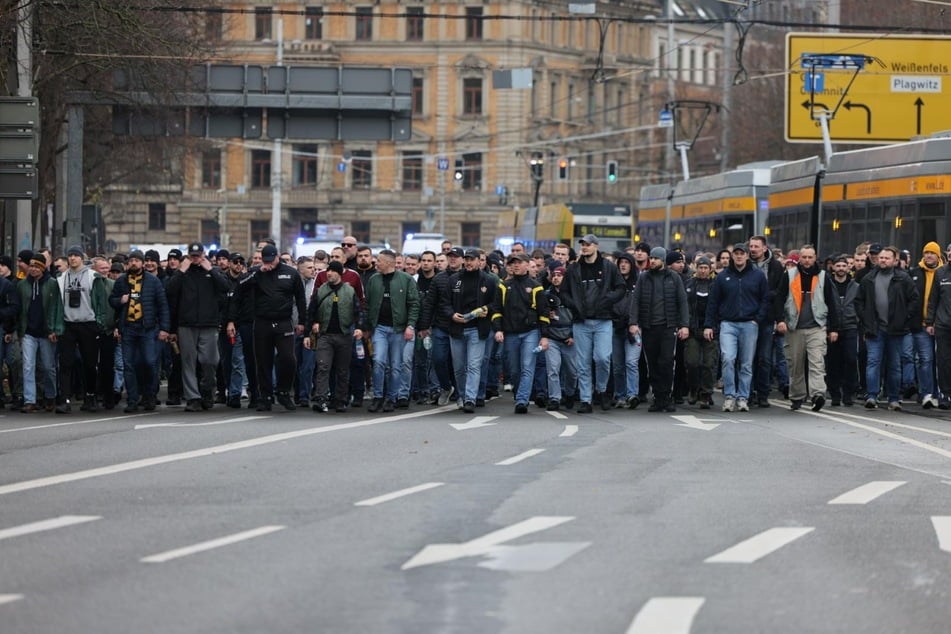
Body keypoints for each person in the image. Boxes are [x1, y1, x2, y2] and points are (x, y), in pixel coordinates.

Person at [227, 244, 307, 411]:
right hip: (262, 321)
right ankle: (266, 396)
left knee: (288, 358)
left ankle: (284, 391)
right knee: (263, 361)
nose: (269, 264)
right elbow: (239, 288)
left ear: (277, 257)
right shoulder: (256, 272)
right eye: (266, 261)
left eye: (271, 261)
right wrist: (257, 273)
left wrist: (302, 322)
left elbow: (300, 298)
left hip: (284, 321)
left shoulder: (290, 273)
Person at [562, 233, 626, 412]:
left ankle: (602, 390)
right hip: (581, 321)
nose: (584, 247)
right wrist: (573, 305)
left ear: (596, 246)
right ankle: (585, 400)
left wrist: (608, 299)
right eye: (582, 244)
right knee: (583, 363)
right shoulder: (574, 269)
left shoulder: (608, 267)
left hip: (603, 320)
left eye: (588, 244)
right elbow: (564, 292)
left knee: (603, 358)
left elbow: (621, 288)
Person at [704, 243, 769, 413]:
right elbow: (713, 302)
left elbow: (765, 299)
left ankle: (743, 397)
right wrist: (709, 325)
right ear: (732, 256)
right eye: (736, 254)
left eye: (742, 254)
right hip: (728, 323)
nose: (739, 256)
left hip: (749, 324)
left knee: (746, 363)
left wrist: (758, 319)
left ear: (747, 255)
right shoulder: (723, 276)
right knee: (728, 358)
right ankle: (730, 396)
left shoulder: (758, 275)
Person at [774, 244, 841, 412]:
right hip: (794, 327)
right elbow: (779, 299)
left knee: (817, 362)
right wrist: (780, 320)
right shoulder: (789, 276)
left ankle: (818, 395)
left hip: (816, 327)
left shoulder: (824, 277)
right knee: (795, 364)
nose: (807, 260)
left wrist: (834, 328)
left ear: (815, 258)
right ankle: (797, 396)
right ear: (799, 258)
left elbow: (833, 303)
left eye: (810, 257)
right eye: (804, 257)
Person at [166, 242, 230, 412]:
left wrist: (211, 270)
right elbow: (170, 291)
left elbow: (225, 287)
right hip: (186, 324)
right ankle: (193, 397)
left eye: (198, 255)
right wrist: (181, 271)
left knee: (210, 362)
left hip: (208, 323)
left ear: (203, 255)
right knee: (188, 363)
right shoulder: (182, 273)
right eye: (192, 255)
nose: (195, 259)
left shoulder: (211, 271)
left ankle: (207, 391)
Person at [856, 246, 919, 411]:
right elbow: (859, 301)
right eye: (881, 257)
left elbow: (914, 299)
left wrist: (904, 317)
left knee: (894, 365)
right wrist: (866, 319)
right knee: (873, 362)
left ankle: (893, 398)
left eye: (886, 258)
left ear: (895, 260)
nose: (882, 260)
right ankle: (871, 395)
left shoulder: (903, 279)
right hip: (875, 329)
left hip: (896, 329)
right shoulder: (869, 278)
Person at [628, 246, 689, 412]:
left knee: (667, 362)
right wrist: (633, 322)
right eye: (651, 258)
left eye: (655, 258)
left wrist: (684, 325)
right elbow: (636, 300)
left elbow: (682, 302)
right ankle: (657, 396)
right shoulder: (644, 278)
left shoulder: (674, 278)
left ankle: (666, 396)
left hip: (668, 327)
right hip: (649, 327)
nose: (652, 261)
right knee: (653, 364)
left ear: (662, 260)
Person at [110, 250, 170, 412]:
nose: (134, 263)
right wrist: (119, 301)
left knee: (149, 362)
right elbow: (112, 301)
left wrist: (164, 328)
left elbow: (162, 305)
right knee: (129, 365)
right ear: (128, 263)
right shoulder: (122, 281)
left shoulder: (152, 281)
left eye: (137, 260)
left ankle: (149, 395)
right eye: (131, 261)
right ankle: (132, 399)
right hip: (128, 328)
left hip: (148, 328)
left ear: (142, 263)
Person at [489, 252, 548, 414]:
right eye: (513, 263)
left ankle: (522, 400)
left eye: (519, 262)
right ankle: (519, 392)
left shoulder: (536, 287)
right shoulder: (503, 286)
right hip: (510, 333)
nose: (515, 265)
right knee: (514, 369)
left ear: (527, 265)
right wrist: (498, 329)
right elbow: (496, 309)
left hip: (530, 332)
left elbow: (543, 313)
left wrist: (544, 336)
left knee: (527, 367)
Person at [55, 245, 110, 413]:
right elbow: (58, 305)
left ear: (81, 258)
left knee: (89, 363)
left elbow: (101, 301)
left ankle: (90, 395)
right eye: (70, 255)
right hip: (69, 324)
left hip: (88, 324)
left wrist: (99, 322)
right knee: (65, 363)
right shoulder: (61, 278)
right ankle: (65, 399)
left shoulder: (93, 277)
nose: (72, 258)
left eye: (76, 255)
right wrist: (57, 326)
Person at [305, 260, 365, 413]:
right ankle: (321, 399)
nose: (329, 273)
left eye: (332, 271)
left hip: (344, 335)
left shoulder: (349, 291)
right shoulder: (321, 290)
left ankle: (340, 400)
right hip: (325, 335)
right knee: (323, 367)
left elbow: (358, 311)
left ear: (339, 273)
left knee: (342, 370)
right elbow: (311, 312)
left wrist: (359, 328)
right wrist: (309, 330)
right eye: (328, 271)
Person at [364, 249, 419, 412]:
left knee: (396, 366)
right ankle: (378, 396)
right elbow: (367, 305)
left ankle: (392, 397)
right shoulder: (374, 280)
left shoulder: (406, 280)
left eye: (379, 261)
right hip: (379, 328)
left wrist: (410, 325)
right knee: (379, 362)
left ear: (388, 263)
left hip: (399, 329)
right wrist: (367, 326)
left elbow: (414, 304)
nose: (376, 263)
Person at [444, 249, 496, 413]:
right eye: (466, 259)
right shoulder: (454, 280)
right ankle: (462, 394)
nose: (468, 262)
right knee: (459, 367)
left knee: (474, 365)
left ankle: (470, 399)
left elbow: (496, 303)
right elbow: (444, 302)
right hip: (457, 328)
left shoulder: (488, 280)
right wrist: (452, 315)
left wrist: (487, 309)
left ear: (479, 261)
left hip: (477, 328)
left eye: (472, 260)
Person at [749, 235, 786, 407]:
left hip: (766, 319)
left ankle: (762, 393)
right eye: (751, 246)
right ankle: (747, 392)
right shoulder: (745, 264)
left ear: (765, 248)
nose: (753, 249)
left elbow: (779, 294)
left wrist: (779, 319)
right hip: (747, 318)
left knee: (764, 358)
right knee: (747, 358)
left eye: (756, 246)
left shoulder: (775, 266)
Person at [908, 242, 942, 408]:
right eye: (926, 252)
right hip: (921, 325)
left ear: (938, 255)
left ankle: (940, 393)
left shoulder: (943, 273)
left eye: (932, 253)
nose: (928, 255)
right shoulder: (915, 272)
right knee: (925, 359)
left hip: (941, 324)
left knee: (940, 361)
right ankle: (926, 393)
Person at [684, 256, 717, 409]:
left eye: (705, 268)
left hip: (711, 329)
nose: (703, 271)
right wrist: (686, 326)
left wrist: (713, 327)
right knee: (692, 362)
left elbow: (718, 308)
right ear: (695, 268)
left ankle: (706, 393)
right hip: (693, 329)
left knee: (709, 363)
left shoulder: (716, 285)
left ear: (710, 269)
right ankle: (693, 389)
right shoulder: (689, 284)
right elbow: (685, 308)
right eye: (700, 267)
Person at [826, 254, 859, 407]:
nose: (840, 269)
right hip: (832, 327)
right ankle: (834, 394)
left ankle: (848, 393)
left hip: (850, 326)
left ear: (848, 268)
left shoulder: (856, 286)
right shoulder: (827, 285)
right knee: (833, 363)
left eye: (843, 266)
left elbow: (860, 306)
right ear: (833, 268)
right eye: (838, 266)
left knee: (851, 360)